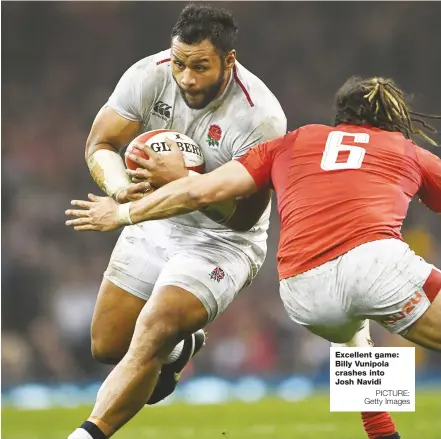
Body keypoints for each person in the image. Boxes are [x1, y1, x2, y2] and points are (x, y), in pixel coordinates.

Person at [67, 76, 441, 439]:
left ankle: (382, 432)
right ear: (394, 121)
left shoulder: (291, 142)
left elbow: (201, 192)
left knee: (354, 337)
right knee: (368, 303)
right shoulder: (403, 148)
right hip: (374, 266)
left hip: (303, 292)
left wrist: (122, 214)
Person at [65, 3, 287, 439]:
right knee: (108, 345)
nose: (186, 78)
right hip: (156, 222)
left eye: (200, 66)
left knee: (154, 326)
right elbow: (101, 141)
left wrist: (186, 183)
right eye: (181, 63)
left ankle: (87, 434)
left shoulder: (260, 117)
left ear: (229, 60)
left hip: (221, 240)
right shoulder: (150, 74)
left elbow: (246, 216)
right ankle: (180, 348)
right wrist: (118, 188)